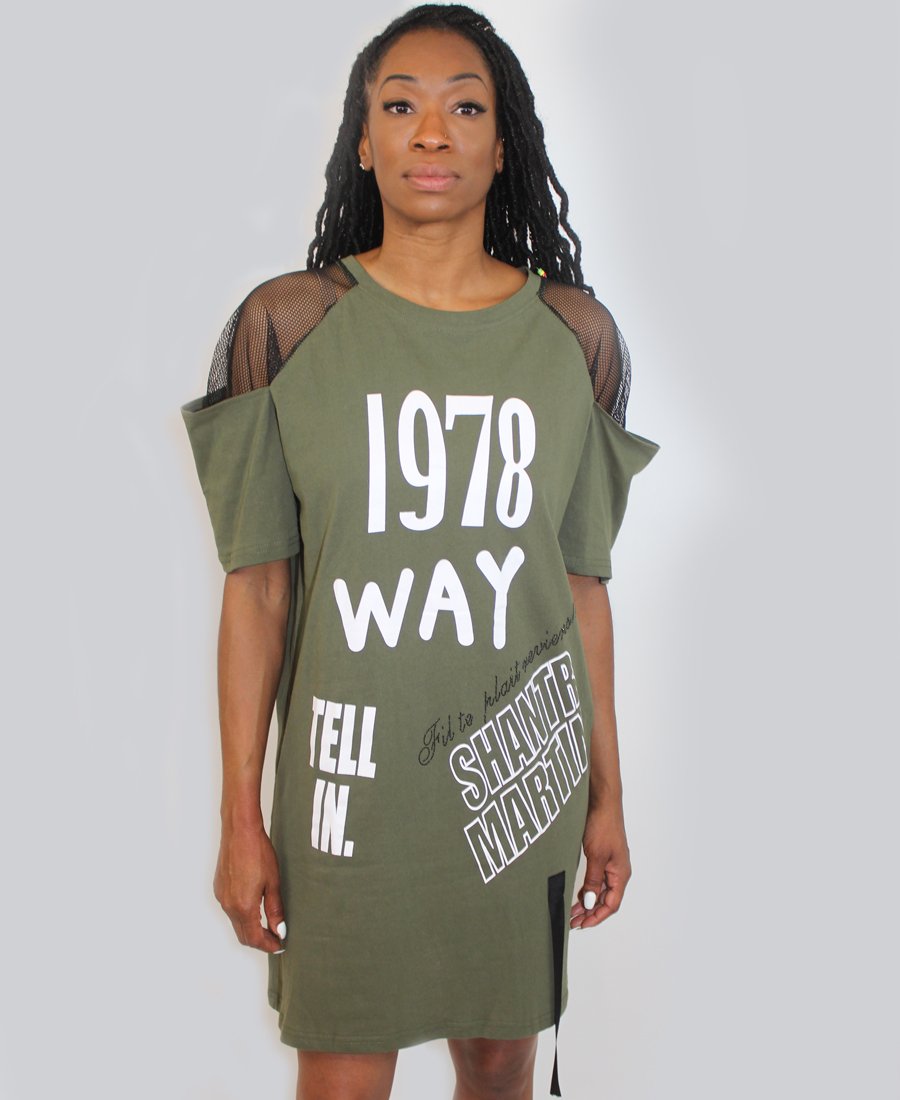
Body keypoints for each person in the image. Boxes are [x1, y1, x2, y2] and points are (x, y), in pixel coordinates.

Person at [180, 5, 660, 1098]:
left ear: (503, 144)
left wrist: (608, 797)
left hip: (516, 784)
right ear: (363, 140)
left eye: (465, 108)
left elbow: (582, 585)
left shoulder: (576, 337)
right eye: (399, 106)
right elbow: (258, 590)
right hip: (347, 797)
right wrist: (241, 816)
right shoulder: (287, 327)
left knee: (498, 1065)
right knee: (344, 1075)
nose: (431, 132)